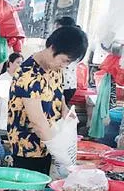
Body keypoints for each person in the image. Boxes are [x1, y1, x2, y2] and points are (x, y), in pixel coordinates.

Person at [7, 26, 88, 174]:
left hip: (49, 146)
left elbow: (59, 94)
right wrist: (61, 153)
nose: (64, 66)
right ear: (53, 47)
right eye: (64, 60)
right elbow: (38, 122)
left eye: (68, 63)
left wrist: (65, 110)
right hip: (28, 150)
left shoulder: (55, 69)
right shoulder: (28, 74)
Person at [54, 16, 80, 104]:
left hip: (64, 84)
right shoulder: (76, 42)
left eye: (58, 29)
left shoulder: (69, 44)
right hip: (69, 84)